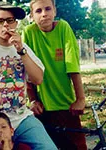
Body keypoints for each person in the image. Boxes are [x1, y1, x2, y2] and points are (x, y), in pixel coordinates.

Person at [0, 2, 57, 150]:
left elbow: (38, 79)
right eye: (0, 21)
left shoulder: (23, 48)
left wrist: (20, 49)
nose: (6, 25)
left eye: (10, 20)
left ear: (16, 23)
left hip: (21, 118)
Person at [22, 0, 87, 149]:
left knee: (77, 146)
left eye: (48, 9)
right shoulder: (29, 32)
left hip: (67, 105)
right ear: (32, 15)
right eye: (38, 11)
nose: (44, 14)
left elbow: (73, 66)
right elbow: (26, 70)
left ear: (55, 11)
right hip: (43, 107)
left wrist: (80, 98)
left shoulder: (63, 28)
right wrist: (32, 100)